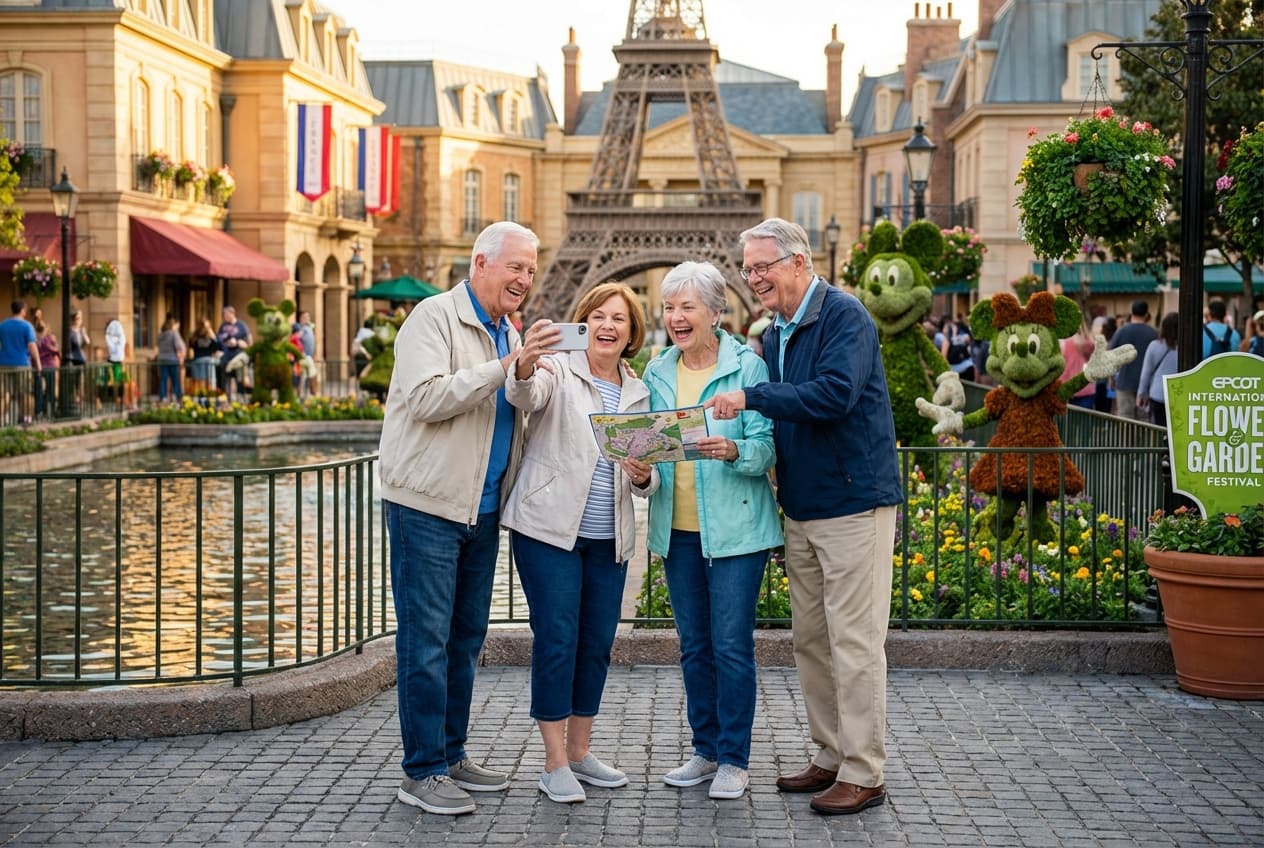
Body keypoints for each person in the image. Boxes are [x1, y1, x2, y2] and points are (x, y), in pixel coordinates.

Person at [706, 218, 902, 817]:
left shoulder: (845, 315)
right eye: (747, 268)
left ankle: (865, 770)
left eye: (762, 266)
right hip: (806, 506)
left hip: (853, 503)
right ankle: (831, 753)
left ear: (799, 261)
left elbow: (835, 394)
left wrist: (752, 396)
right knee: (812, 642)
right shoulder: (778, 331)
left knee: (855, 642)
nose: (753, 277)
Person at [378, 221, 539, 816]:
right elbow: (425, 398)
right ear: (479, 262)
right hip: (428, 506)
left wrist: (522, 373)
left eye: (530, 268)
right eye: (514, 266)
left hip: (482, 507)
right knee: (425, 640)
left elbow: (514, 411)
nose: (523, 278)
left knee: (466, 639)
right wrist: (504, 367)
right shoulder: (433, 318)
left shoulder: (509, 330)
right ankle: (420, 771)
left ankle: (449, 754)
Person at [630, 261, 781, 801]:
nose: (675, 317)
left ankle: (734, 760)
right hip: (678, 530)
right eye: (669, 308)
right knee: (694, 646)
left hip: (738, 531)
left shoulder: (749, 368)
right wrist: (641, 472)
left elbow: (767, 446)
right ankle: (705, 749)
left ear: (717, 313)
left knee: (731, 645)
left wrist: (736, 450)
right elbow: (648, 450)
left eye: (687, 307)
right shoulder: (656, 371)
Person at [500, 282, 650, 805]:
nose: (608, 326)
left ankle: (582, 752)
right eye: (598, 317)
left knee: (596, 645)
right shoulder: (557, 369)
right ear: (581, 322)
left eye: (620, 319)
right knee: (558, 639)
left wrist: (643, 474)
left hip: (608, 537)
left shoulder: (638, 391)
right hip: (547, 530)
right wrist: (524, 363)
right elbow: (524, 395)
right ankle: (553, 761)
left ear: (632, 334)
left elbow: (644, 477)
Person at [1109, 300, 1158, 420]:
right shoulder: (1154, 333)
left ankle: (1127, 440)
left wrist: (1111, 378)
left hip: (1124, 381)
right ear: (1147, 314)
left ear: (1131, 313)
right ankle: (1143, 440)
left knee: (1125, 418)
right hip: (1147, 385)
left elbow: (1110, 356)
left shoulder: (1121, 331)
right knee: (1144, 420)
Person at [1138, 312, 1180, 429]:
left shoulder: (1154, 346)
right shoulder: (1186, 347)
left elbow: (1146, 373)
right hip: (1179, 394)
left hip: (1158, 394)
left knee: (1160, 429)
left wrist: (1141, 394)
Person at [217, 305, 252, 400]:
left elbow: (249, 341)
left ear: (232, 314)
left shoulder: (241, 325)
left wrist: (241, 343)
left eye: (226, 315)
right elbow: (219, 340)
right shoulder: (223, 326)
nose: (225, 317)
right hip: (226, 354)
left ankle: (241, 397)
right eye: (224, 315)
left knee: (239, 376)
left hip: (238, 354)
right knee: (222, 372)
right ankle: (224, 395)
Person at [1060, 327, 1096, 409]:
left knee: (1068, 420)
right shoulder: (1088, 344)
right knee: (1083, 420)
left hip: (1068, 389)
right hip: (1086, 389)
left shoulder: (1062, 343)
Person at [188, 317, 221, 398]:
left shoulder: (194, 337)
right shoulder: (210, 336)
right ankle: (209, 397)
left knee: (198, 381)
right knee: (209, 381)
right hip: (208, 361)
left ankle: (198, 397)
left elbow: (191, 346)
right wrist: (213, 336)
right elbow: (218, 347)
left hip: (197, 361)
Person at [156, 317, 186, 403]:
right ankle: (177, 396)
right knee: (175, 379)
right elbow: (179, 346)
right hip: (172, 359)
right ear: (172, 325)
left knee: (163, 379)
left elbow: (158, 346)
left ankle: (163, 397)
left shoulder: (161, 335)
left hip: (162, 359)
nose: (177, 327)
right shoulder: (174, 334)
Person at [33, 319, 59, 418]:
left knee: (38, 390)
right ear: (46, 329)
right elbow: (56, 350)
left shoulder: (35, 340)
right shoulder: (49, 339)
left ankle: (39, 411)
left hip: (38, 367)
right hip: (49, 366)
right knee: (50, 389)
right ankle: (51, 410)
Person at [103, 317, 131, 408]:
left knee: (122, 382)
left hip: (118, 362)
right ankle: (118, 400)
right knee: (116, 382)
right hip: (114, 363)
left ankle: (121, 400)